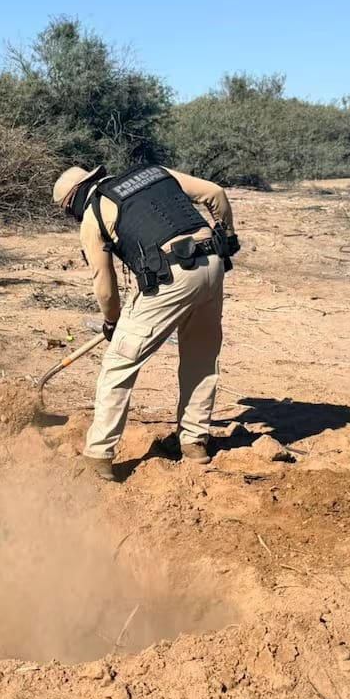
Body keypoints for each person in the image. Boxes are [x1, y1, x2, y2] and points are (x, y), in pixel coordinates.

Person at [52, 162, 239, 481]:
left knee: (119, 364)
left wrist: (112, 322)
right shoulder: (154, 172)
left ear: (73, 201)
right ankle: (194, 443)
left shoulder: (95, 211)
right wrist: (228, 234)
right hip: (214, 263)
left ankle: (98, 456)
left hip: (173, 276)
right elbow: (215, 193)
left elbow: (104, 283)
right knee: (200, 357)